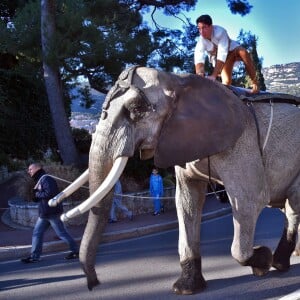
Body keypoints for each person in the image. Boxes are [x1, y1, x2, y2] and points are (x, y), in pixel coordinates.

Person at [21, 163, 79, 263]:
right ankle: (35, 257)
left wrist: (37, 193)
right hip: (45, 213)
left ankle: (76, 251)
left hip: (52, 213)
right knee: (37, 233)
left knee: (61, 233)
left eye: (30, 169)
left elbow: (50, 193)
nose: (29, 171)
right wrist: (35, 195)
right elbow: (41, 196)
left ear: (37, 168)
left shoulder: (46, 179)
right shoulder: (40, 179)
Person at [194, 14, 259, 93]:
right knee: (226, 83)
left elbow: (222, 53)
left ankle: (255, 83)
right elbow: (199, 58)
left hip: (232, 50)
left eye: (204, 28)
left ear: (211, 26)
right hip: (225, 60)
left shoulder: (220, 31)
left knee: (243, 52)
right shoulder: (201, 41)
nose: (201, 32)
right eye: (199, 29)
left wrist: (214, 75)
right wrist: (200, 74)